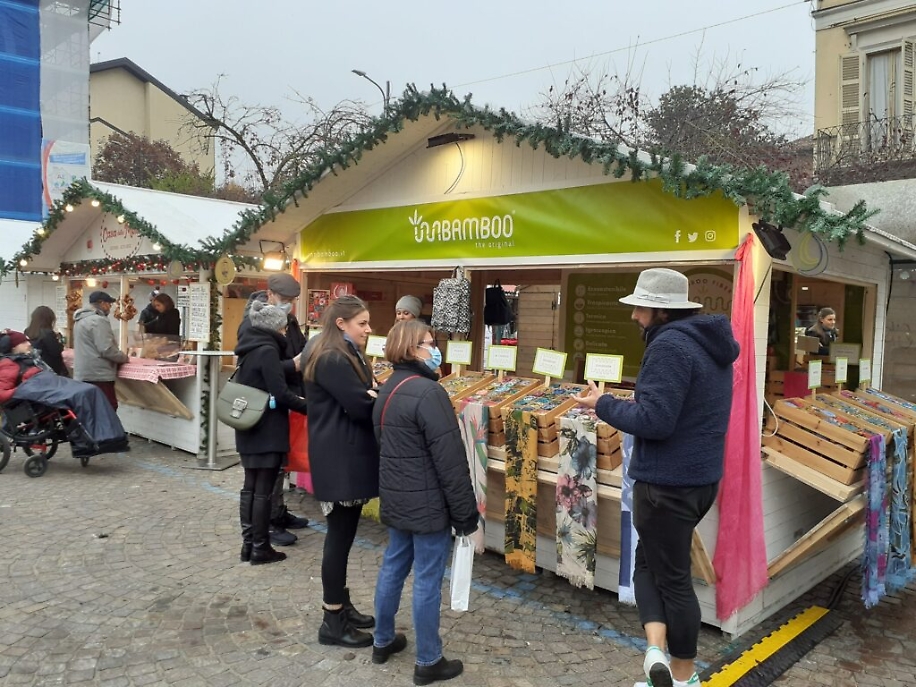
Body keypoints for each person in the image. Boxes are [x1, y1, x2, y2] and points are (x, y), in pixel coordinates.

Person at [572, 268, 739, 687]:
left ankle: (682, 677)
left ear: (661, 311)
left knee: (674, 580)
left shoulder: (670, 347)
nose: (633, 316)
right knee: (648, 564)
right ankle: (655, 656)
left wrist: (603, 404)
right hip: (697, 481)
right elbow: (680, 411)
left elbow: (655, 420)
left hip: (667, 484)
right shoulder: (708, 346)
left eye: (640, 307)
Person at [370, 320, 478, 685]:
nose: (436, 349)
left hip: (399, 500)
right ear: (411, 348)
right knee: (427, 580)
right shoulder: (429, 393)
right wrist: (465, 513)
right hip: (428, 504)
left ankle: (382, 640)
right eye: (429, 343)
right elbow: (450, 460)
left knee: (393, 568)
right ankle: (429, 659)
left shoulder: (388, 389)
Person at [302, 294, 378, 648]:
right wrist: (371, 395)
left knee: (344, 538)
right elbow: (361, 405)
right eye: (362, 323)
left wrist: (371, 393)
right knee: (338, 538)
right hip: (339, 459)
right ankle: (332, 619)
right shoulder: (332, 357)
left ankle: (341, 605)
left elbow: (365, 395)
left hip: (344, 455)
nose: (368, 328)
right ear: (341, 323)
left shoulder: (341, 352)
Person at [233, 301, 309, 565]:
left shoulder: (249, 347)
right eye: (284, 328)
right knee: (262, 491)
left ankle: (249, 545)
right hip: (267, 428)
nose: (287, 333)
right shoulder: (267, 351)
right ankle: (261, 547)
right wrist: (311, 408)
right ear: (277, 327)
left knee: (250, 488)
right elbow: (282, 394)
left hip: (249, 426)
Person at [0, 331, 129, 458]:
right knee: (81, 394)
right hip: (37, 391)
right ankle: (92, 440)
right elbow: (2, 393)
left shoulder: (24, 359)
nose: (29, 344)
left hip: (48, 385)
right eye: (24, 342)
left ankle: (110, 438)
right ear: (14, 347)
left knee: (92, 390)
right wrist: (22, 390)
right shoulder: (8, 364)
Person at [72, 291, 129, 410]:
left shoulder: (80, 319)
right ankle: (106, 429)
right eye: (109, 304)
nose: (110, 307)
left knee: (89, 409)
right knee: (107, 408)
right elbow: (106, 349)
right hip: (99, 374)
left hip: (83, 373)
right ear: (102, 303)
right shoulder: (98, 320)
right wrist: (123, 357)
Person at [24, 305, 67, 376]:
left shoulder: (28, 331)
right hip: (49, 368)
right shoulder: (48, 333)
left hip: (35, 367)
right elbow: (56, 351)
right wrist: (60, 343)